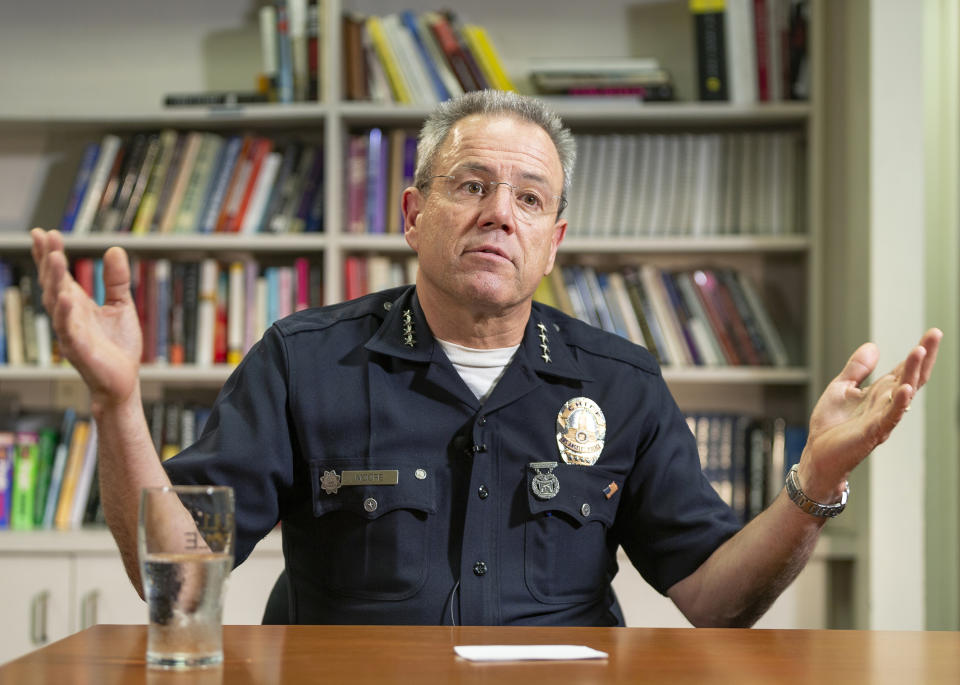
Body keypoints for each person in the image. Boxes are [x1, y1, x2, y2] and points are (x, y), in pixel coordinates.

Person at [31, 90, 941, 627]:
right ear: (411, 214)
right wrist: (118, 406)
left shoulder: (621, 381)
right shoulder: (301, 362)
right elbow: (182, 575)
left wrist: (815, 477)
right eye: (471, 184)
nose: (500, 211)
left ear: (553, 241)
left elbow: (714, 598)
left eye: (529, 196)